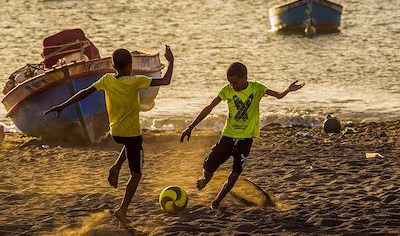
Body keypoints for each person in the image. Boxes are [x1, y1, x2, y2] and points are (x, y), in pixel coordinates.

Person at [44, 45, 174, 226]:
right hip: (131, 134)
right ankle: (122, 210)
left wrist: (63, 106)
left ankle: (115, 168)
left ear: (113, 66)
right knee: (136, 174)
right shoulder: (136, 81)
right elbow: (166, 80)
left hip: (115, 133)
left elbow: (84, 93)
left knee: (132, 144)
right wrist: (171, 62)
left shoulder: (107, 79)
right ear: (130, 65)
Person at [180, 62, 304, 209]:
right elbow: (209, 108)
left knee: (235, 173)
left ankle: (217, 201)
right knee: (207, 169)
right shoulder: (227, 90)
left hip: (245, 140)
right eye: (230, 82)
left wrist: (288, 90)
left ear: (245, 77)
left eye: (235, 82)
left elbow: (278, 96)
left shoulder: (256, 88)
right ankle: (206, 180)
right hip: (227, 137)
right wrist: (191, 126)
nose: (233, 85)